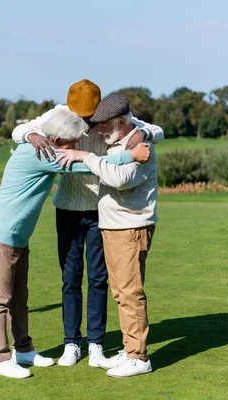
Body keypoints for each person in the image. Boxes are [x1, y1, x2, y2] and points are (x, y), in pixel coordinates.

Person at [0, 108, 150, 379]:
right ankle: (0, 359)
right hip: (1, 235)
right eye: (72, 143)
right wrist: (130, 155)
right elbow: (85, 166)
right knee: (0, 299)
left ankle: (23, 349)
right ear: (58, 139)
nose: (75, 147)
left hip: (18, 236)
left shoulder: (46, 146)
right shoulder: (42, 153)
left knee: (20, 298)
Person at [12, 79, 164, 367]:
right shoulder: (60, 113)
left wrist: (142, 131)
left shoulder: (106, 117)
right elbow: (19, 129)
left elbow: (156, 131)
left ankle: (95, 344)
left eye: (87, 115)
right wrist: (33, 136)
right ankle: (72, 343)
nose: (83, 120)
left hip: (100, 212)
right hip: (67, 208)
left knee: (98, 279)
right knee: (70, 279)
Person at [56, 93, 158, 378]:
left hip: (131, 227)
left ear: (123, 121)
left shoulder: (141, 144)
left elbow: (120, 179)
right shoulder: (117, 146)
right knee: (119, 292)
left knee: (130, 293)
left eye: (105, 125)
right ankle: (129, 350)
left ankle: (139, 357)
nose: (99, 131)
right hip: (113, 226)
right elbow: (109, 165)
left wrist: (86, 156)